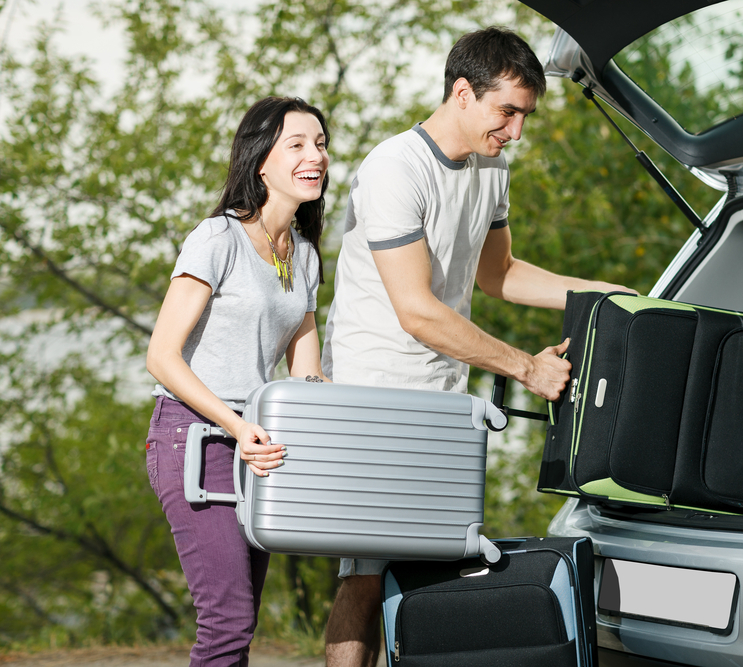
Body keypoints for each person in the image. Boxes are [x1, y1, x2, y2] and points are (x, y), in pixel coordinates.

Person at [321, 26, 633, 667]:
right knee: (367, 570)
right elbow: (416, 311)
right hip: (374, 392)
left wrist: (601, 291)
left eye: (526, 115)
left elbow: (499, 275)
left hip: (443, 392)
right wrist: (525, 367)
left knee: (436, 561)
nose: (517, 131)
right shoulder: (394, 168)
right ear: (462, 93)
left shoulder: (490, 170)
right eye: (508, 112)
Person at [145, 96, 331, 667]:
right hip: (192, 438)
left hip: (255, 446)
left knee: (240, 622)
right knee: (227, 620)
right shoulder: (217, 238)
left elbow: (307, 375)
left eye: (321, 144)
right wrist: (235, 424)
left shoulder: (304, 256)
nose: (315, 156)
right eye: (296, 144)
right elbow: (162, 356)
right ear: (260, 162)